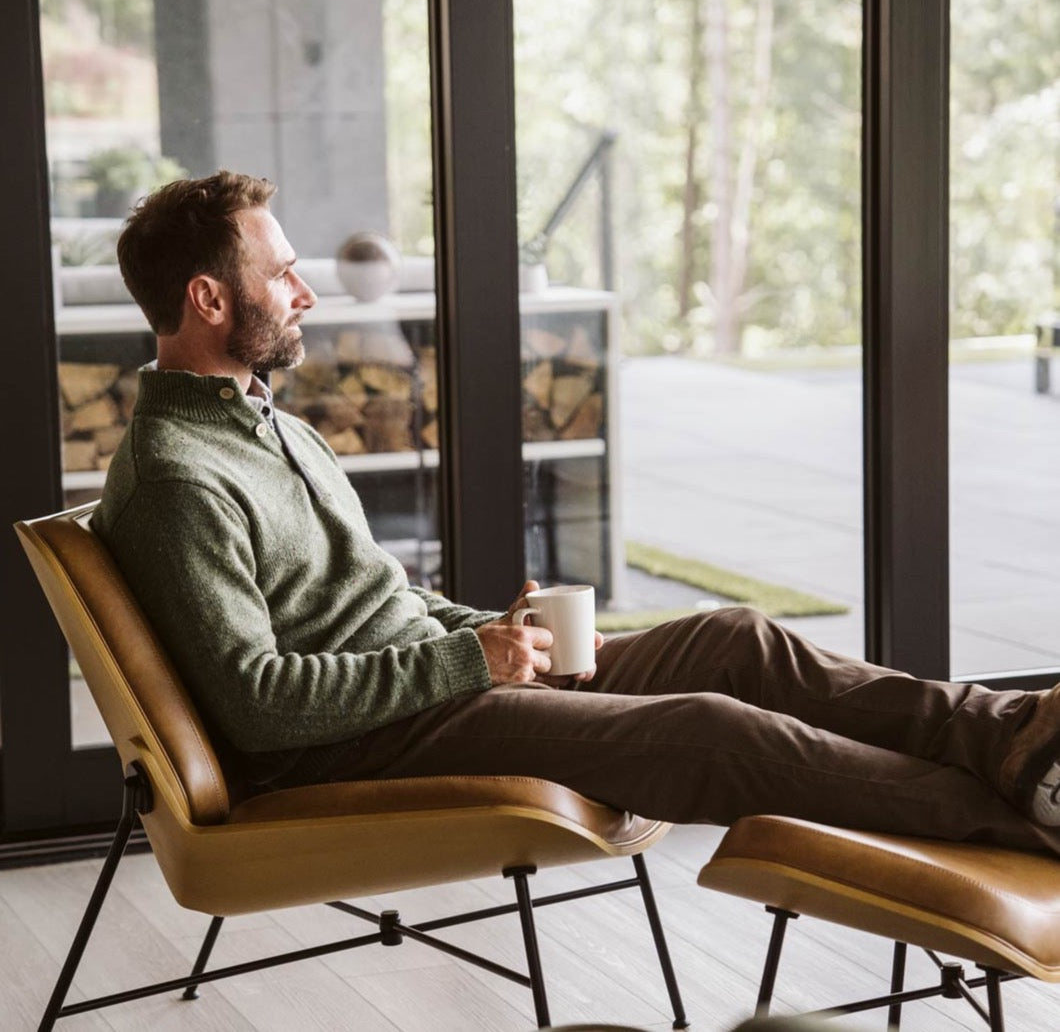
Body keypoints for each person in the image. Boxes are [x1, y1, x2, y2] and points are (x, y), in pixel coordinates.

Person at [91, 171, 1060, 856]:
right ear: (208, 298)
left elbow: (379, 601)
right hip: (363, 745)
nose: (305, 292)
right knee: (707, 731)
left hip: (432, 688)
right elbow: (259, 704)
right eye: (281, 275)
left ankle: (1008, 733)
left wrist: (497, 632)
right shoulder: (180, 477)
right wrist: (469, 661)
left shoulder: (271, 423)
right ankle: (1014, 824)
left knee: (734, 638)